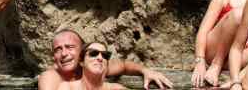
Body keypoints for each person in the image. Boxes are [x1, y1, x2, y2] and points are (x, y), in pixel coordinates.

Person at [38, 30, 173, 90]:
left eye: (69, 47)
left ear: (81, 52)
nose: (63, 54)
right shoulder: (51, 77)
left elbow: (124, 65)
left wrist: (146, 71)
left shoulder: (93, 65)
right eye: (58, 49)